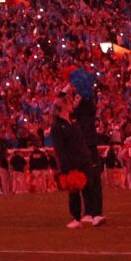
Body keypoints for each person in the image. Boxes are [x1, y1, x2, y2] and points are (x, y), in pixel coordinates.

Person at [49, 96, 95, 228]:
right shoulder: (57, 126)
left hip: (83, 159)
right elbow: (60, 149)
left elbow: (81, 142)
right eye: (69, 102)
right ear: (63, 106)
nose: (72, 104)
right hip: (71, 162)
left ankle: (89, 214)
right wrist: (65, 166)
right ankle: (76, 217)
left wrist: (87, 155)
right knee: (74, 190)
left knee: (88, 187)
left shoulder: (73, 122)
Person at [71, 69, 106, 225]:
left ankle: (95, 211)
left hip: (88, 142)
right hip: (83, 142)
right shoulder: (83, 99)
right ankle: (90, 211)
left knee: (93, 178)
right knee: (86, 177)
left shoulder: (87, 100)